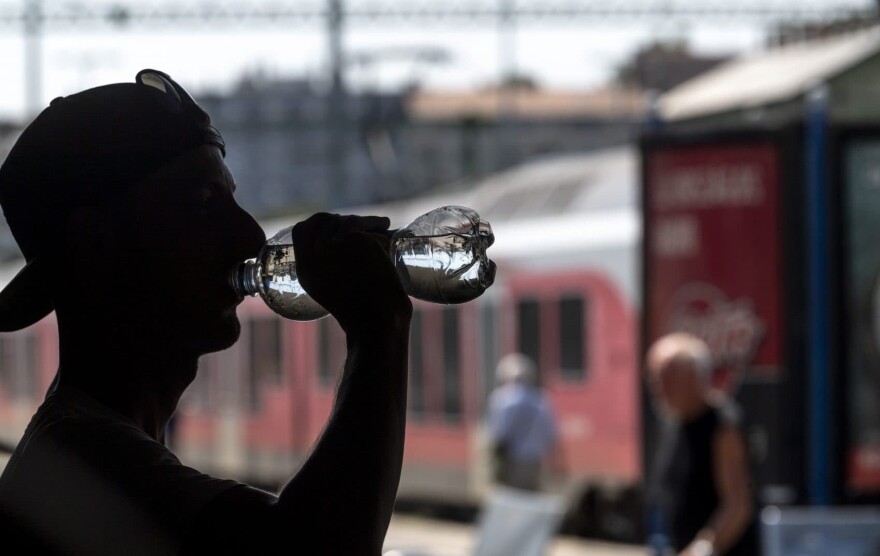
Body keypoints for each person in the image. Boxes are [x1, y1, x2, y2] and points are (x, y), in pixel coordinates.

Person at [0, 70, 412, 555]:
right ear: (98, 243)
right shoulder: (81, 463)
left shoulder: (80, 443)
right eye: (203, 202)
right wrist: (378, 328)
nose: (249, 237)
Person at [645, 333, 759, 556]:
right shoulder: (673, 422)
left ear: (694, 377)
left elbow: (738, 504)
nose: (658, 388)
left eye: (667, 377)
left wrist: (703, 548)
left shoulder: (722, 425)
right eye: (654, 378)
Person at [486, 353, 561, 492]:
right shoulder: (542, 400)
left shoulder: (501, 399)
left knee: (511, 499)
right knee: (529, 500)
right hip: (534, 461)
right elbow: (551, 435)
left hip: (512, 461)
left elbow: (498, 433)